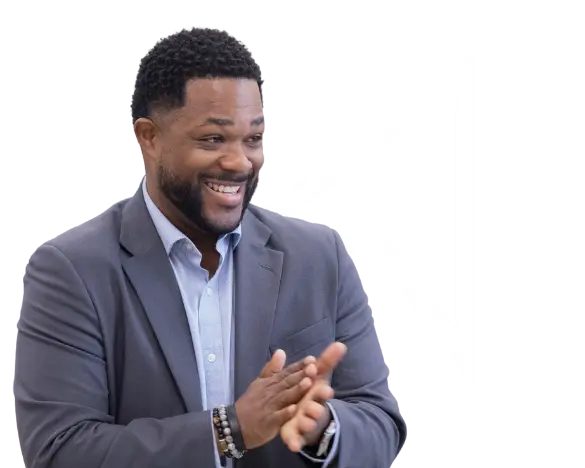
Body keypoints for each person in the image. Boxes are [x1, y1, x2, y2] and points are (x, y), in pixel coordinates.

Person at [14, 26, 406, 468]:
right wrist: (229, 430)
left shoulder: (319, 257)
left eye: (253, 139)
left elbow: (382, 430)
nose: (239, 162)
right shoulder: (72, 270)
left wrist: (322, 428)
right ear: (149, 138)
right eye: (213, 139)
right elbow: (60, 449)